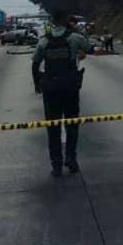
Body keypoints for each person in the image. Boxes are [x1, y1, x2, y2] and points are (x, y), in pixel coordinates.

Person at [32, 10, 92, 177]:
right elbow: (90, 48)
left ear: (51, 21)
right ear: (67, 21)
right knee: (72, 124)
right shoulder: (74, 38)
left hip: (50, 89)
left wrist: (37, 84)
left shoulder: (44, 41)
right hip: (70, 87)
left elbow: (35, 63)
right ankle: (71, 159)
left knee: (53, 127)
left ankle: (56, 164)